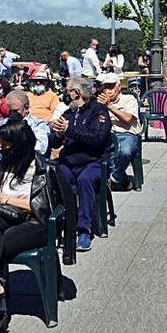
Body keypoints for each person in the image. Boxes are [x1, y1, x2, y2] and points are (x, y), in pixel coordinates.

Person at [0, 114, 52, 333]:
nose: (3, 147)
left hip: (33, 223)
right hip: (5, 217)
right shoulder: (6, 162)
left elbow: (40, 208)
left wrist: (2, 197)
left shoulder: (39, 168)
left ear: (19, 143)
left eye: (7, 143)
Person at [50, 76, 111, 252]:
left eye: (68, 92)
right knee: (53, 178)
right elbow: (53, 143)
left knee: (85, 181)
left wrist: (70, 130)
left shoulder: (98, 111)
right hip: (68, 162)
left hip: (92, 162)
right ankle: (60, 224)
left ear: (76, 93)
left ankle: (84, 229)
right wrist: (58, 134)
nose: (66, 95)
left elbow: (97, 139)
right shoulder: (67, 113)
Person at [97, 73, 141, 191]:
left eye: (111, 86)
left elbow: (128, 119)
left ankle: (115, 178)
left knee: (125, 152)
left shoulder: (129, 99)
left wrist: (110, 106)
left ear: (119, 87)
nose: (108, 90)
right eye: (106, 87)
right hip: (107, 135)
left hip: (127, 134)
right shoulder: (99, 102)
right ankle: (123, 179)